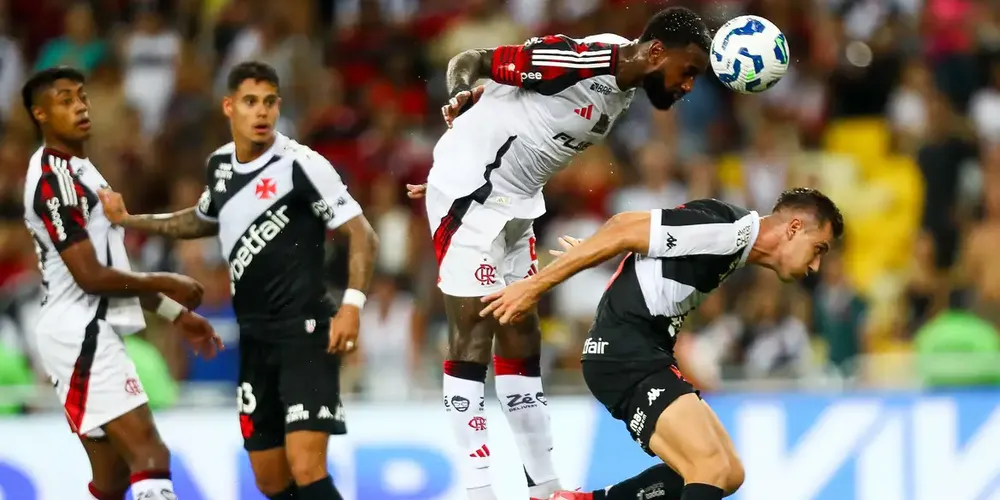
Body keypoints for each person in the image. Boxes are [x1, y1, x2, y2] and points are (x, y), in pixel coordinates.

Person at [404, 7, 712, 499]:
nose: (690, 85)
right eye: (688, 70)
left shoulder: (624, 85)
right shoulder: (578, 61)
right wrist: (460, 103)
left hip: (516, 205)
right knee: (474, 335)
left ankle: (545, 491)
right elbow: (473, 59)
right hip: (470, 192)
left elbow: (523, 119)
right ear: (656, 52)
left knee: (522, 335)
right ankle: (478, 491)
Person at [97, 61, 379, 500]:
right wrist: (130, 219)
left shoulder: (302, 165)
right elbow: (201, 219)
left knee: (307, 467)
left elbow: (362, 232)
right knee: (270, 479)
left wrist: (352, 305)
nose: (261, 112)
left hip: (304, 332)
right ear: (229, 107)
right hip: (254, 336)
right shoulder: (220, 167)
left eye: (269, 102)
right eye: (250, 102)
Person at [480, 189, 844, 500]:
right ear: (794, 228)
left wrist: (594, 250)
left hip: (644, 353)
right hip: (626, 352)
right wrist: (533, 288)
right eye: (818, 248)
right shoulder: (729, 232)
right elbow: (624, 227)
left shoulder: (731, 231)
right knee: (710, 467)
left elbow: (652, 245)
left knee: (730, 473)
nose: (815, 265)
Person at [20, 66, 221, 500]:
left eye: (81, 96)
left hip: (90, 329)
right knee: (149, 453)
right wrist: (168, 282)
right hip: (80, 332)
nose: (79, 107)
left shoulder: (84, 171)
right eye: (65, 101)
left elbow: (110, 263)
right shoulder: (54, 181)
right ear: (40, 115)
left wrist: (174, 313)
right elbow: (90, 276)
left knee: (110, 481)